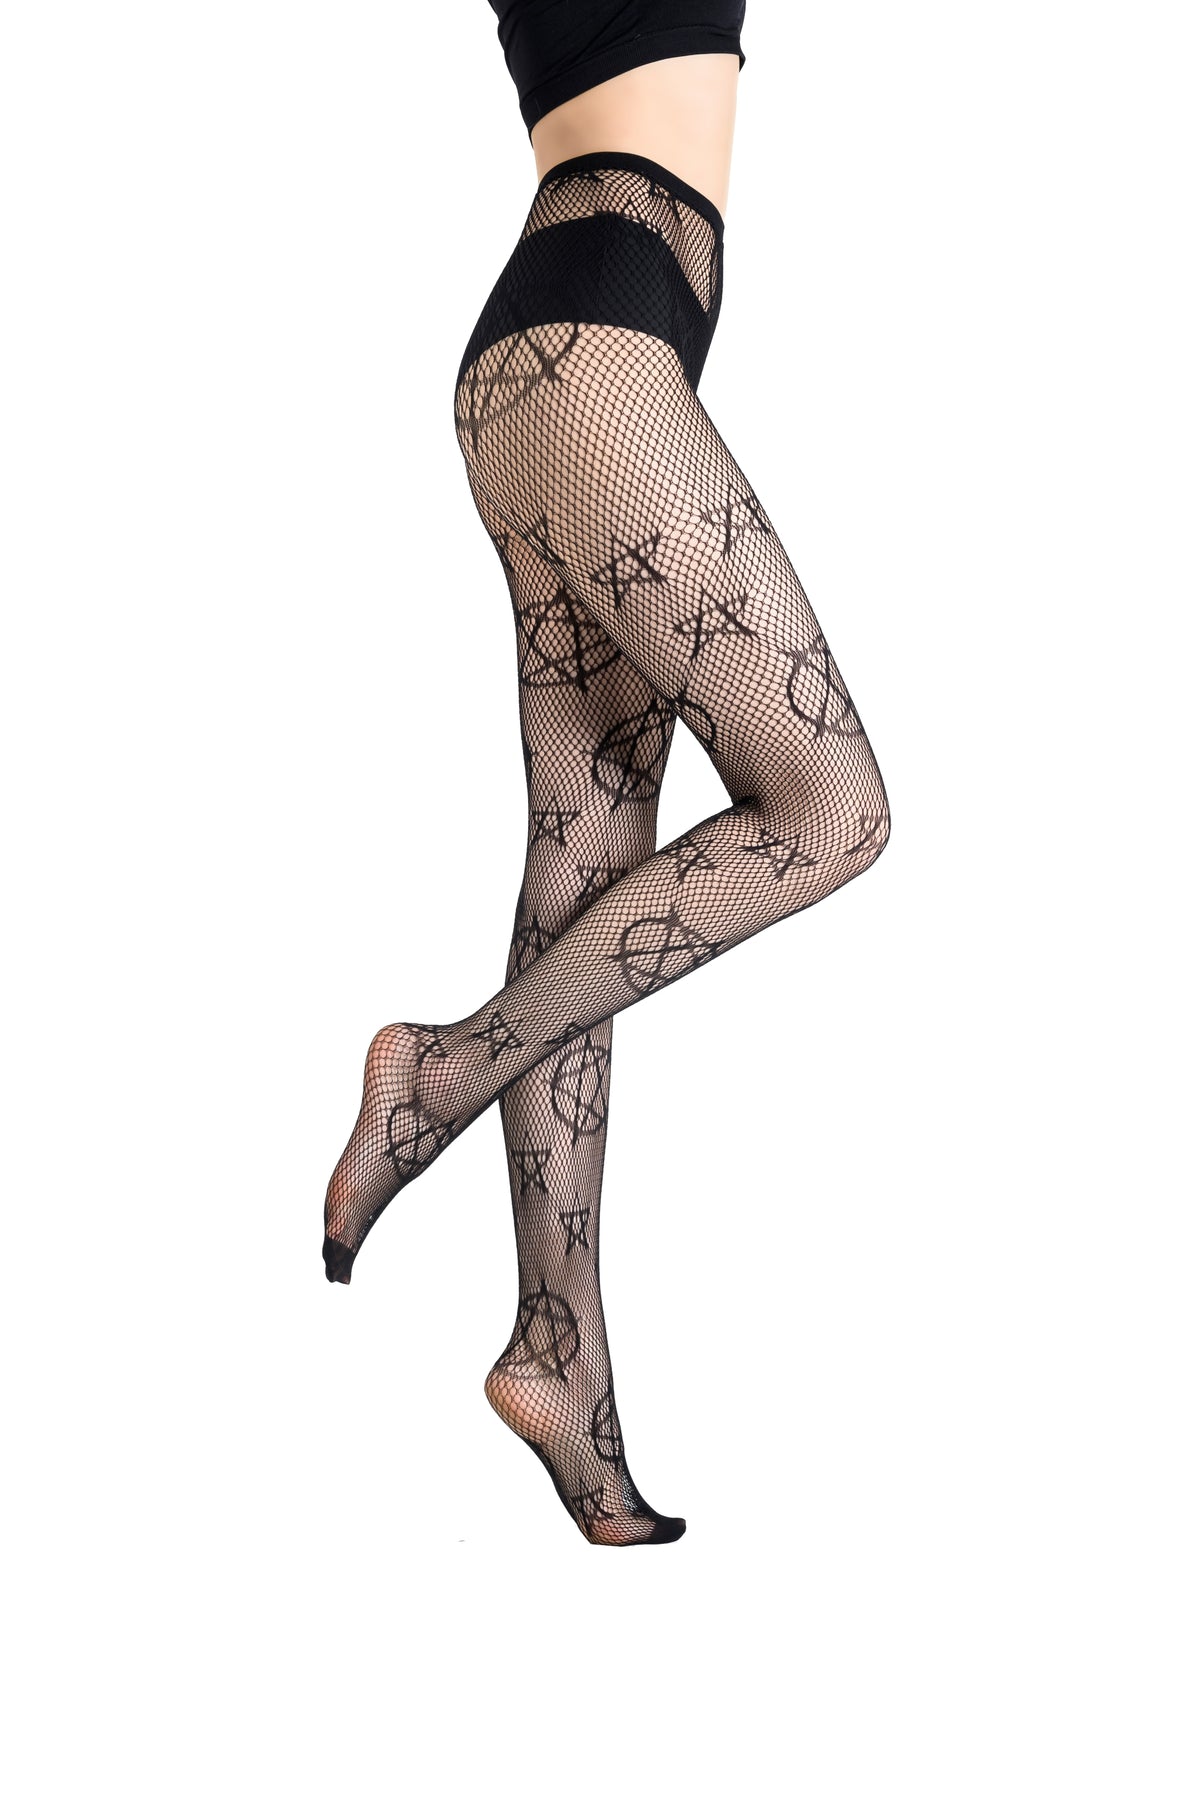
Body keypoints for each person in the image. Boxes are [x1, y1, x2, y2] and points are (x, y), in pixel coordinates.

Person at [322, 2, 892, 1545]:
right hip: (595, 350)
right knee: (831, 812)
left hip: (570, 345)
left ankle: (556, 1352)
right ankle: (443, 1071)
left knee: (587, 868)